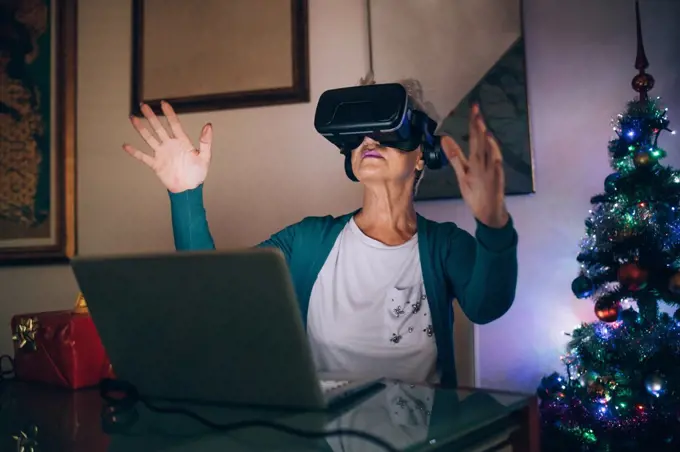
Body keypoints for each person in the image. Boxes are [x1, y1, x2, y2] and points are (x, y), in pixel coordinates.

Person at [122, 86, 518, 388]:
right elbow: (216, 296)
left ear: (420, 155)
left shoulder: (444, 246)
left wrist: (493, 224)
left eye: (383, 128)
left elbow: (488, 305)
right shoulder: (307, 242)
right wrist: (185, 194)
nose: (368, 140)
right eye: (357, 133)